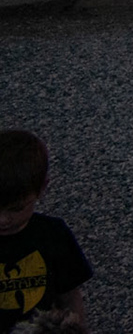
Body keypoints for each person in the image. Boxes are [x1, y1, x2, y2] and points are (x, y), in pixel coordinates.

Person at [0, 130, 91, 332]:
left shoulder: (52, 234)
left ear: (42, 189)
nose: (3, 219)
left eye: (16, 208)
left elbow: (70, 295)